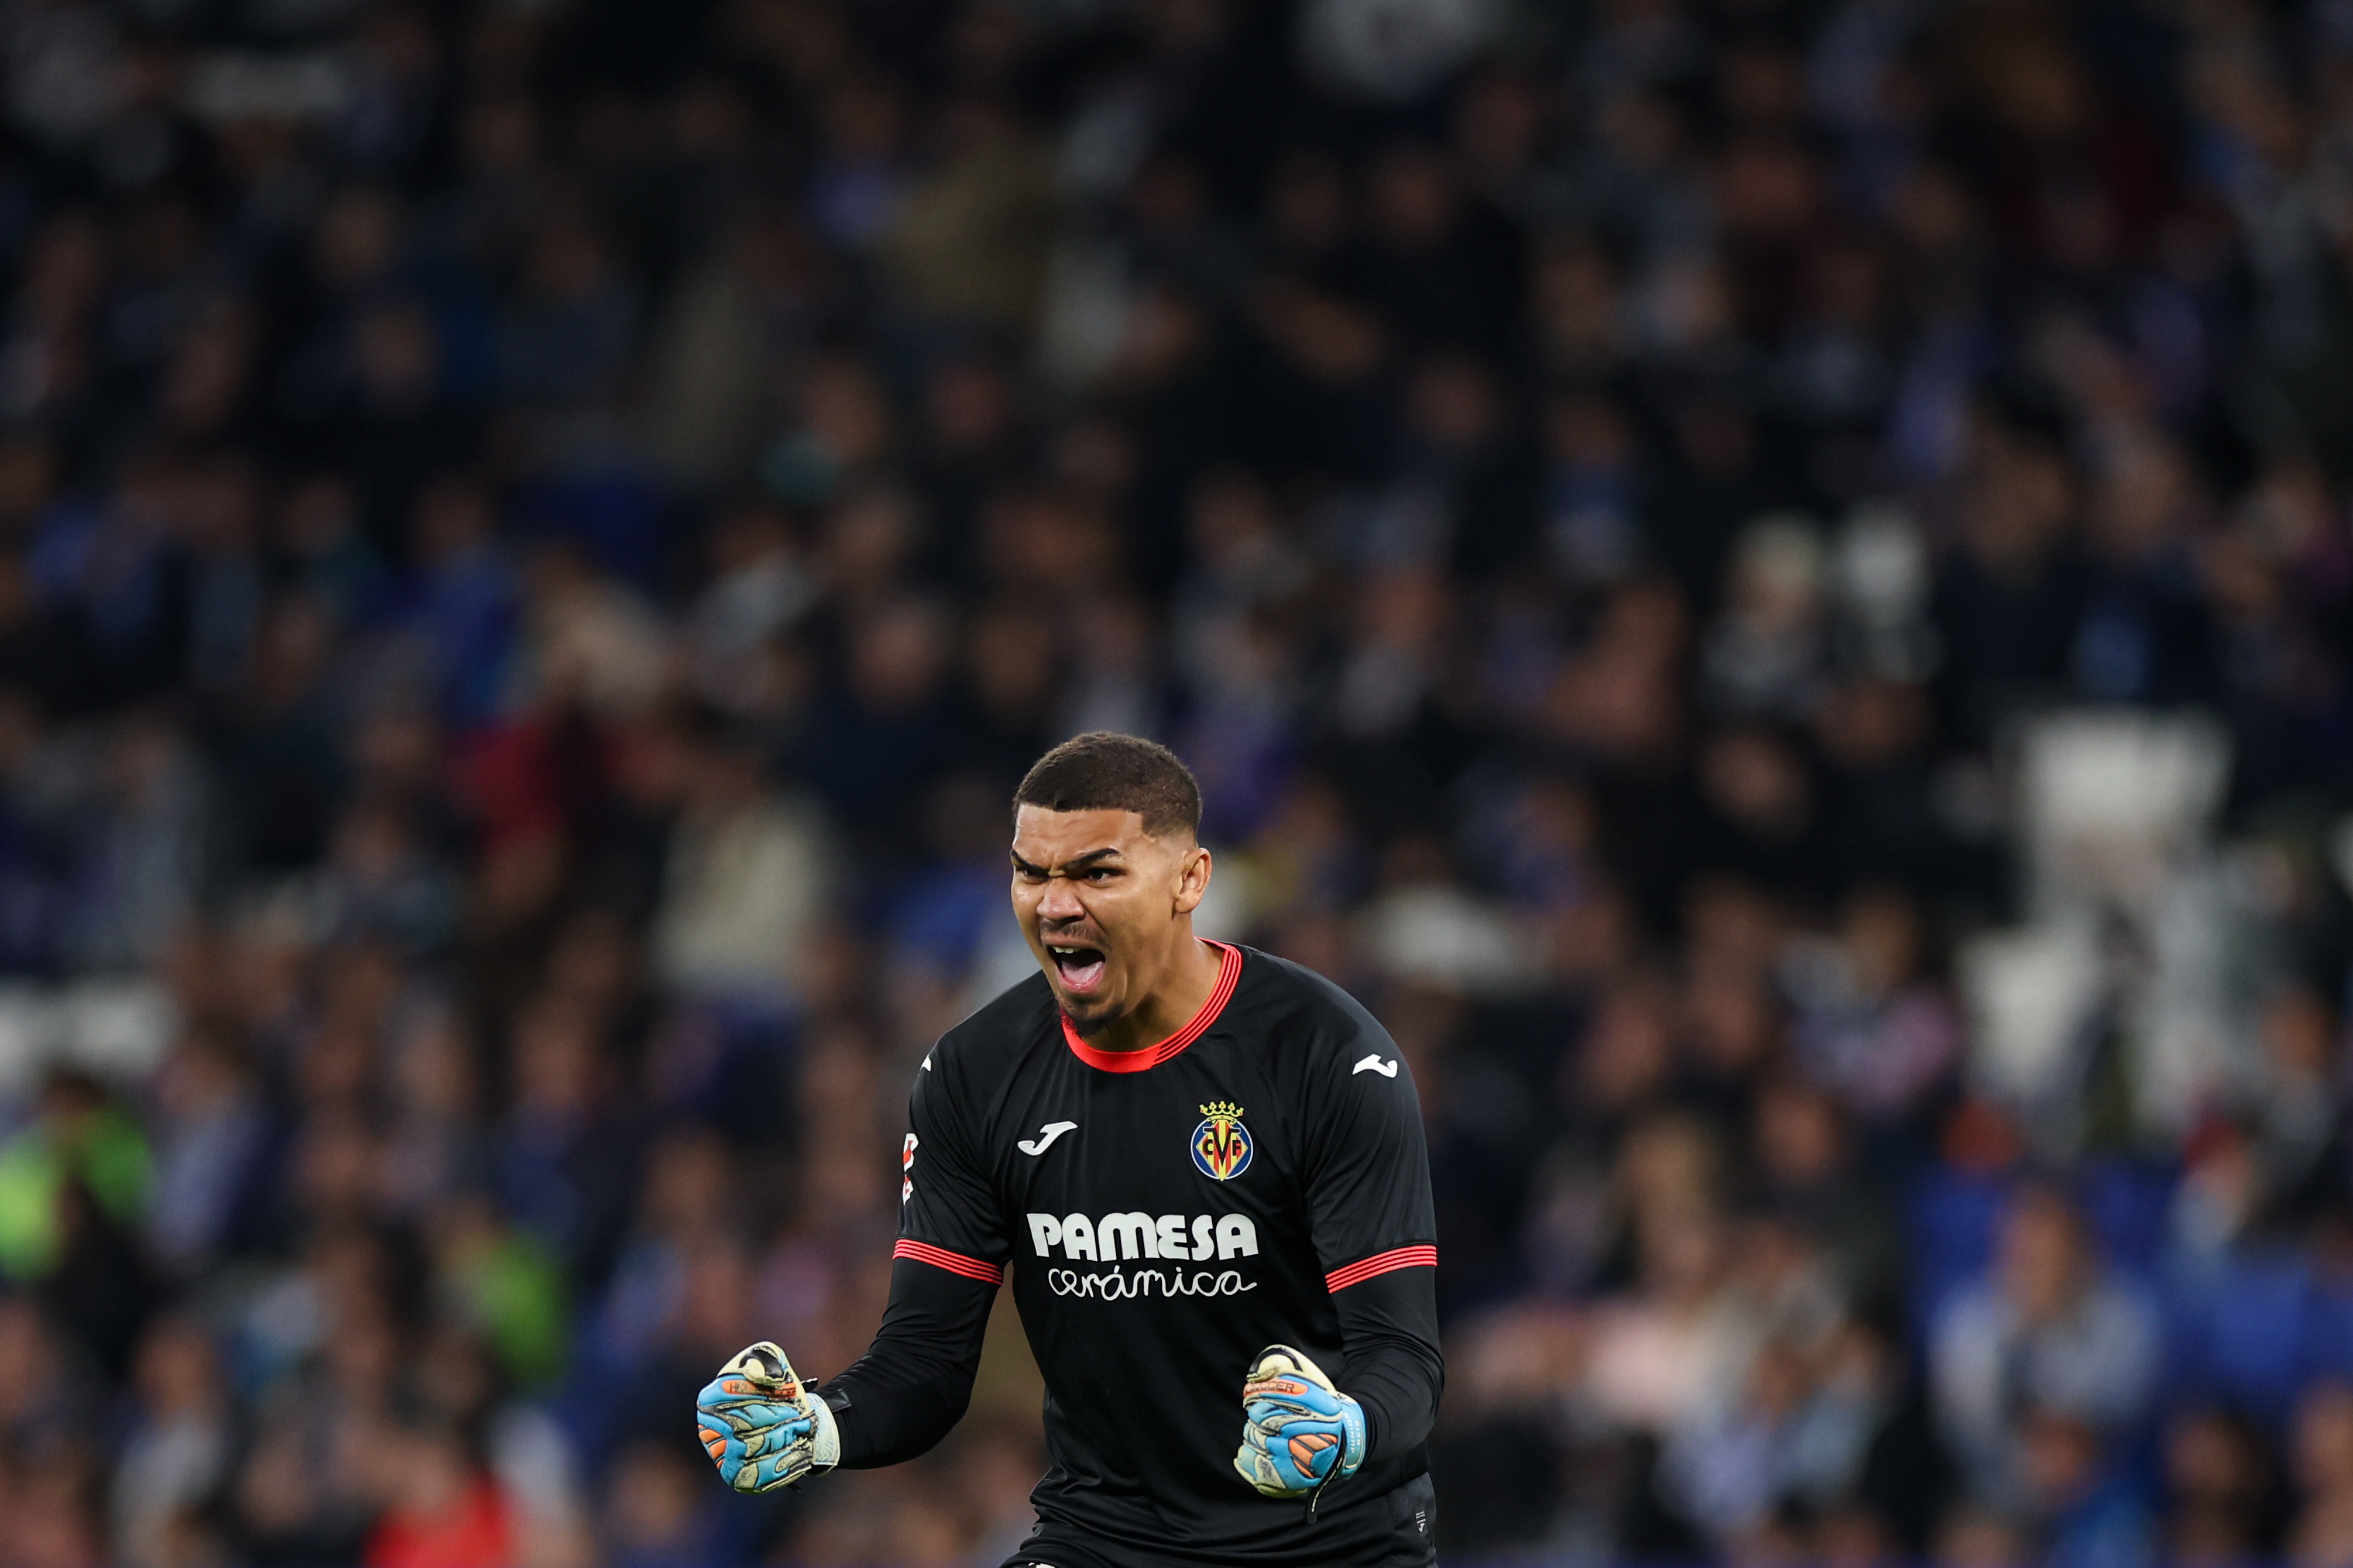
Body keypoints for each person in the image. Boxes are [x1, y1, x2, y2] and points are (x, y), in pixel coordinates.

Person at [695, 732, 1443, 1567]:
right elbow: (927, 1362)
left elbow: (1401, 1357)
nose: (1054, 906)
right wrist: (818, 1426)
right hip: (1107, 1539)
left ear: (1189, 881)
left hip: (1325, 1540)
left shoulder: (1327, 1058)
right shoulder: (971, 1075)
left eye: (1095, 873)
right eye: (1031, 872)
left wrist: (1345, 1428)